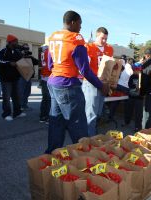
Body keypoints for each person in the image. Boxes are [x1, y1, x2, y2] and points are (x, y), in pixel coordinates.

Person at [45, 11, 109, 154]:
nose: (81, 27)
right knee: (78, 125)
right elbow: (85, 70)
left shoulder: (53, 37)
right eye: (80, 23)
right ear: (73, 22)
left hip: (53, 82)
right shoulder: (75, 39)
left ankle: (51, 156)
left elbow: (50, 65)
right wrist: (101, 85)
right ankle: (85, 159)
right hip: (68, 85)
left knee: (56, 122)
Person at [83, 27, 113, 136]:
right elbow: (85, 68)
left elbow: (109, 66)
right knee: (91, 114)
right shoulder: (89, 47)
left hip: (103, 82)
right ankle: (89, 138)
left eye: (106, 38)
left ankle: (92, 134)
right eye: (102, 38)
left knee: (99, 112)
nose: (104, 41)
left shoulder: (109, 49)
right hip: (91, 82)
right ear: (97, 36)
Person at [0, 34, 26, 121]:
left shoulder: (17, 52)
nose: (17, 43)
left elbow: (21, 61)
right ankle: (6, 114)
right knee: (6, 97)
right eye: (15, 41)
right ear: (10, 42)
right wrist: (9, 63)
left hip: (15, 78)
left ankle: (17, 112)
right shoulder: (2, 51)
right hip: (5, 79)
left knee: (16, 96)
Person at [18, 43, 39, 110]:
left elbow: (37, 62)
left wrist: (30, 57)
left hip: (28, 76)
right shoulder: (18, 55)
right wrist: (22, 55)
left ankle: (24, 105)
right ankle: (20, 106)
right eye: (25, 48)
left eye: (27, 48)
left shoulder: (29, 56)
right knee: (21, 92)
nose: (26, 50)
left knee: (27, 91)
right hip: (21, 76)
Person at [39, 45, 51, 123]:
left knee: (45, 98)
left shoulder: (44, 52)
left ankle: (43, 116)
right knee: (49, 99)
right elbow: (50, 66)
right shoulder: (50, 52)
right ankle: (48, 117)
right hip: (49, 77)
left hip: (44, 77)